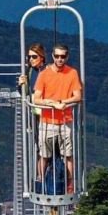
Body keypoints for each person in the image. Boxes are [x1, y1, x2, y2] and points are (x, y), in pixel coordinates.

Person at [33, 43, 82, 194]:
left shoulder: (72, 73)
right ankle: (41, 181)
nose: (60, 59)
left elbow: (78, 96)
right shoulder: (44, 75)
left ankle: (69, 185)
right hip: (47, 122)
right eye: (57, 56)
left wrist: (63, 103)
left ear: (67, 57)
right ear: (53, 57)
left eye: (63, 56)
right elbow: (36, 98)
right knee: (44, 155)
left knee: (68, 154)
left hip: (65, 121)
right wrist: (52, 104)